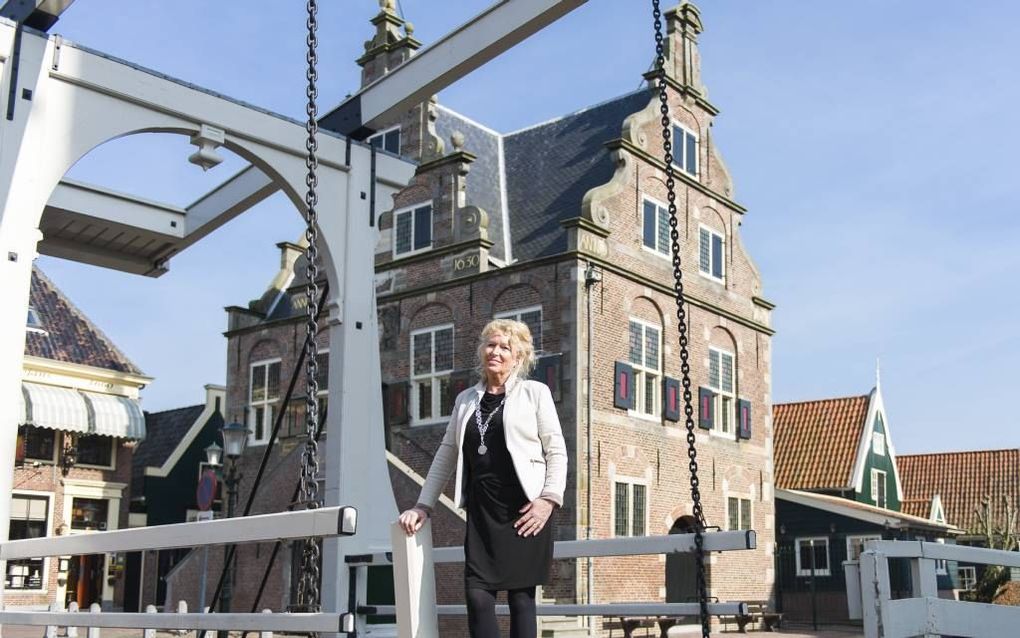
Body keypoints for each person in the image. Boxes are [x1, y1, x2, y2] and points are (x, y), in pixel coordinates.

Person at [398, 319, 567, 638]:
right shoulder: (465, 400)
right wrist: (424, 506)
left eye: (506, 347)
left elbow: (556, 450)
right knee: (477, 597)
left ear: (519, 357)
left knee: (521, 600)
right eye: (491, 344)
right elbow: (447, 453)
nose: (496, 351)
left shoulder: (535, 393)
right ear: (482, 350)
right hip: (483, 511)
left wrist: (548, 500)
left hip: (525, 511)